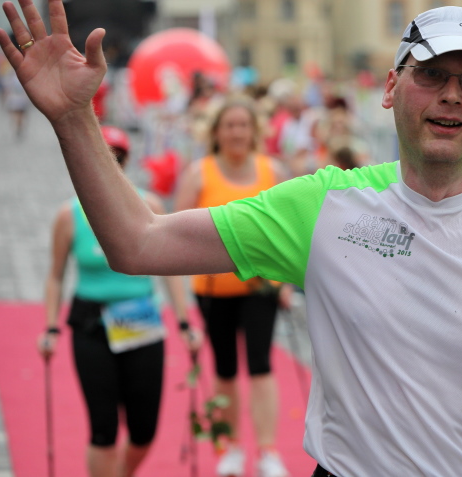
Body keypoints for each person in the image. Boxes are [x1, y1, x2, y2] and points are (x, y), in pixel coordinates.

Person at [0, 3, 462, 476]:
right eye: (431, 74)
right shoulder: (325, 205)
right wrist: (74, 119)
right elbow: (137, 243)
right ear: (391, 87)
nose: (452, 95)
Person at [36, 125, 202, 477]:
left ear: (126, 162)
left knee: (144, 430)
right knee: (103, 429)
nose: (111, 164)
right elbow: (55, 275)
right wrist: (50, 328)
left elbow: (170, 270)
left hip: (141, 323)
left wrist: (185, 322)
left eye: (119, 157)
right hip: (91, 326)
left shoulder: (150, 206)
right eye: (103, 157)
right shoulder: (69, 215)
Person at [174, 99, 291, 477]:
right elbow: (176, 233)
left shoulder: (273, 171)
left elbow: (289, 231)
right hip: (213, 290)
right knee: (224, 368)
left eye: (243, 125)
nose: (237, 132)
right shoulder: (199, 174)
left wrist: (289, 282)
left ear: (255, 130)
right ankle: (232, 447)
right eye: (230, 125)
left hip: (261, 287)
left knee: (261, 365)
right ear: (216, 132)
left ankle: (268, 451)